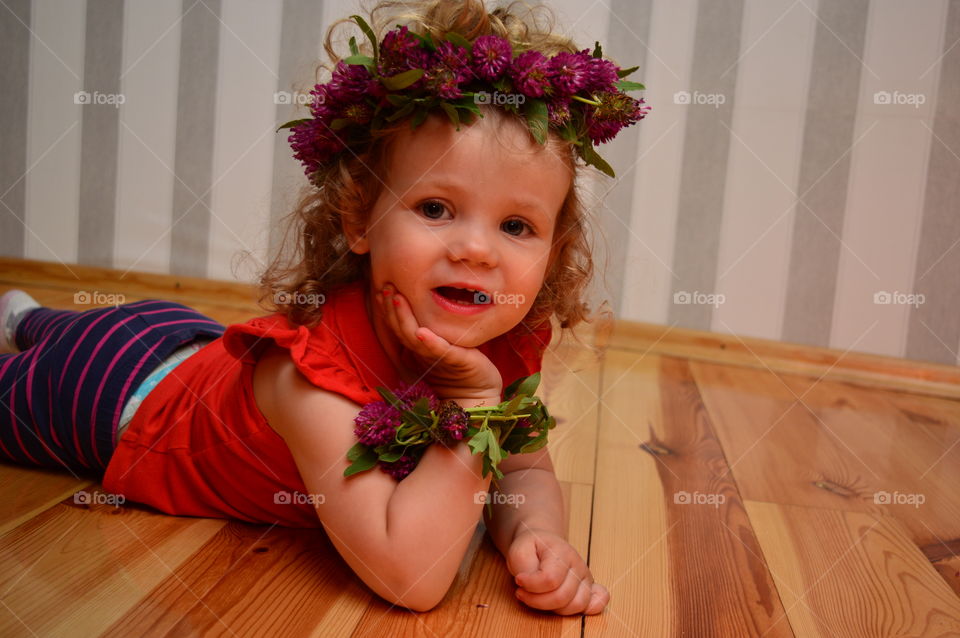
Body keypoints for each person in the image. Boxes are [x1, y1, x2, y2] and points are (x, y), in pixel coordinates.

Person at [0, 0, 648, 616]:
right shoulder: (314, 380)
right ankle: (29, 325)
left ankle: (25, 316)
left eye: (516, 225)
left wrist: (535, 531)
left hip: (178, 336)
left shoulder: (507, 345)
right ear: (359, 217)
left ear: (555, 250)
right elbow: (411, 574)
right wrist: (474, 405)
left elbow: (523, 466)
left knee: (59, 324)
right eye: (434, 209)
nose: (476, 249)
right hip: (115, 393)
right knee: (46, 363)